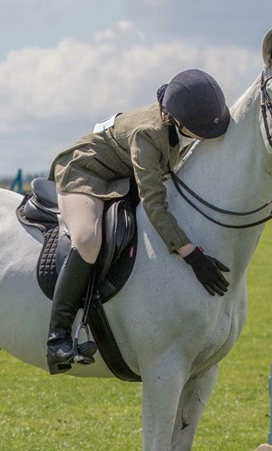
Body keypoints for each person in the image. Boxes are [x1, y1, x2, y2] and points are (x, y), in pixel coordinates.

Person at [46, 69, 232, 374]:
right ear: (178, 120)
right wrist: (191, 254)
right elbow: (154, 203)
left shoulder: (182, 119)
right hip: (84, 173)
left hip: (121, 177)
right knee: (88, 240)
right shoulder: (149, 134)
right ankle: (58, 338)